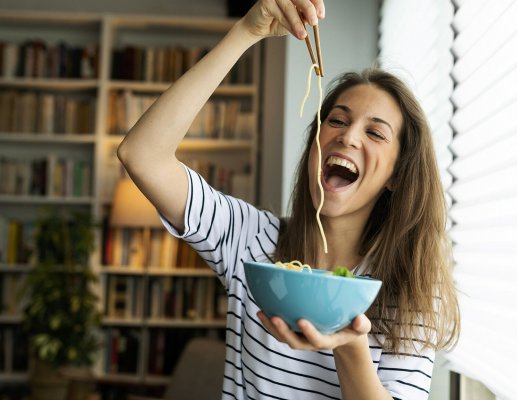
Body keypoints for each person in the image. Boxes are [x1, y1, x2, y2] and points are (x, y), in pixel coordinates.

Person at [117, 0, 460, 398]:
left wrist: (348, 343)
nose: (348, 137)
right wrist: (247, 32)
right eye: (337, 120)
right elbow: (141, 155)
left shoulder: (411, 286)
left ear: (397, 177)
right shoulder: (252, 241)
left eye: (375, 133)